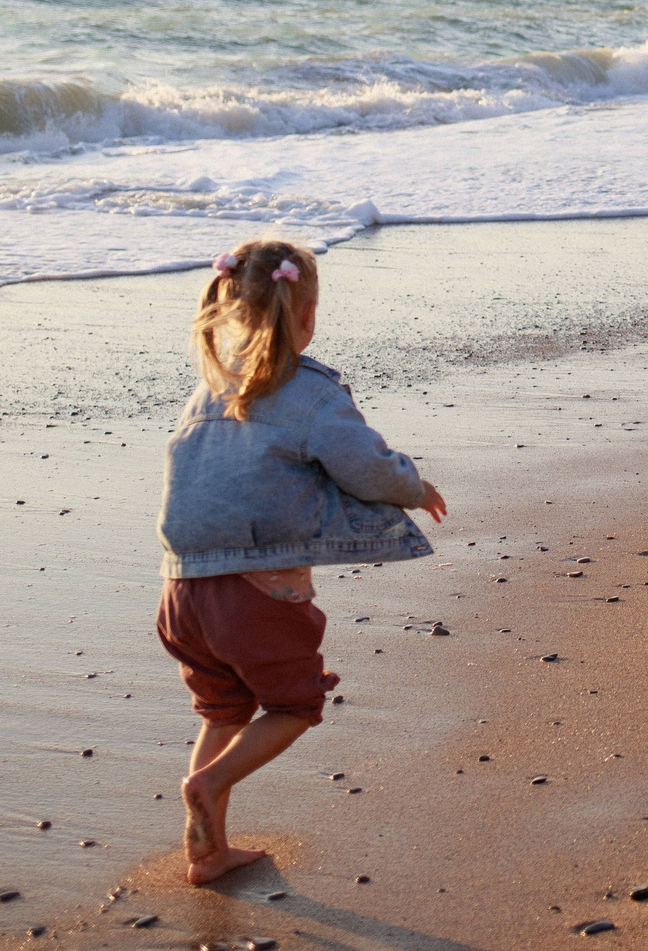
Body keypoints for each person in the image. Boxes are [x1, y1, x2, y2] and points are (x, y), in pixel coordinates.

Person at [155, 237, 447, 885]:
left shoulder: (208, 389)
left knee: (224, 712)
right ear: (306, 314)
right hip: (256, 593)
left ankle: (207, 852)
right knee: (295, 706)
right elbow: (363, 464)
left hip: (179, 592)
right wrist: (412, 486)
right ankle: (209, 781)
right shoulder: (308, 392)